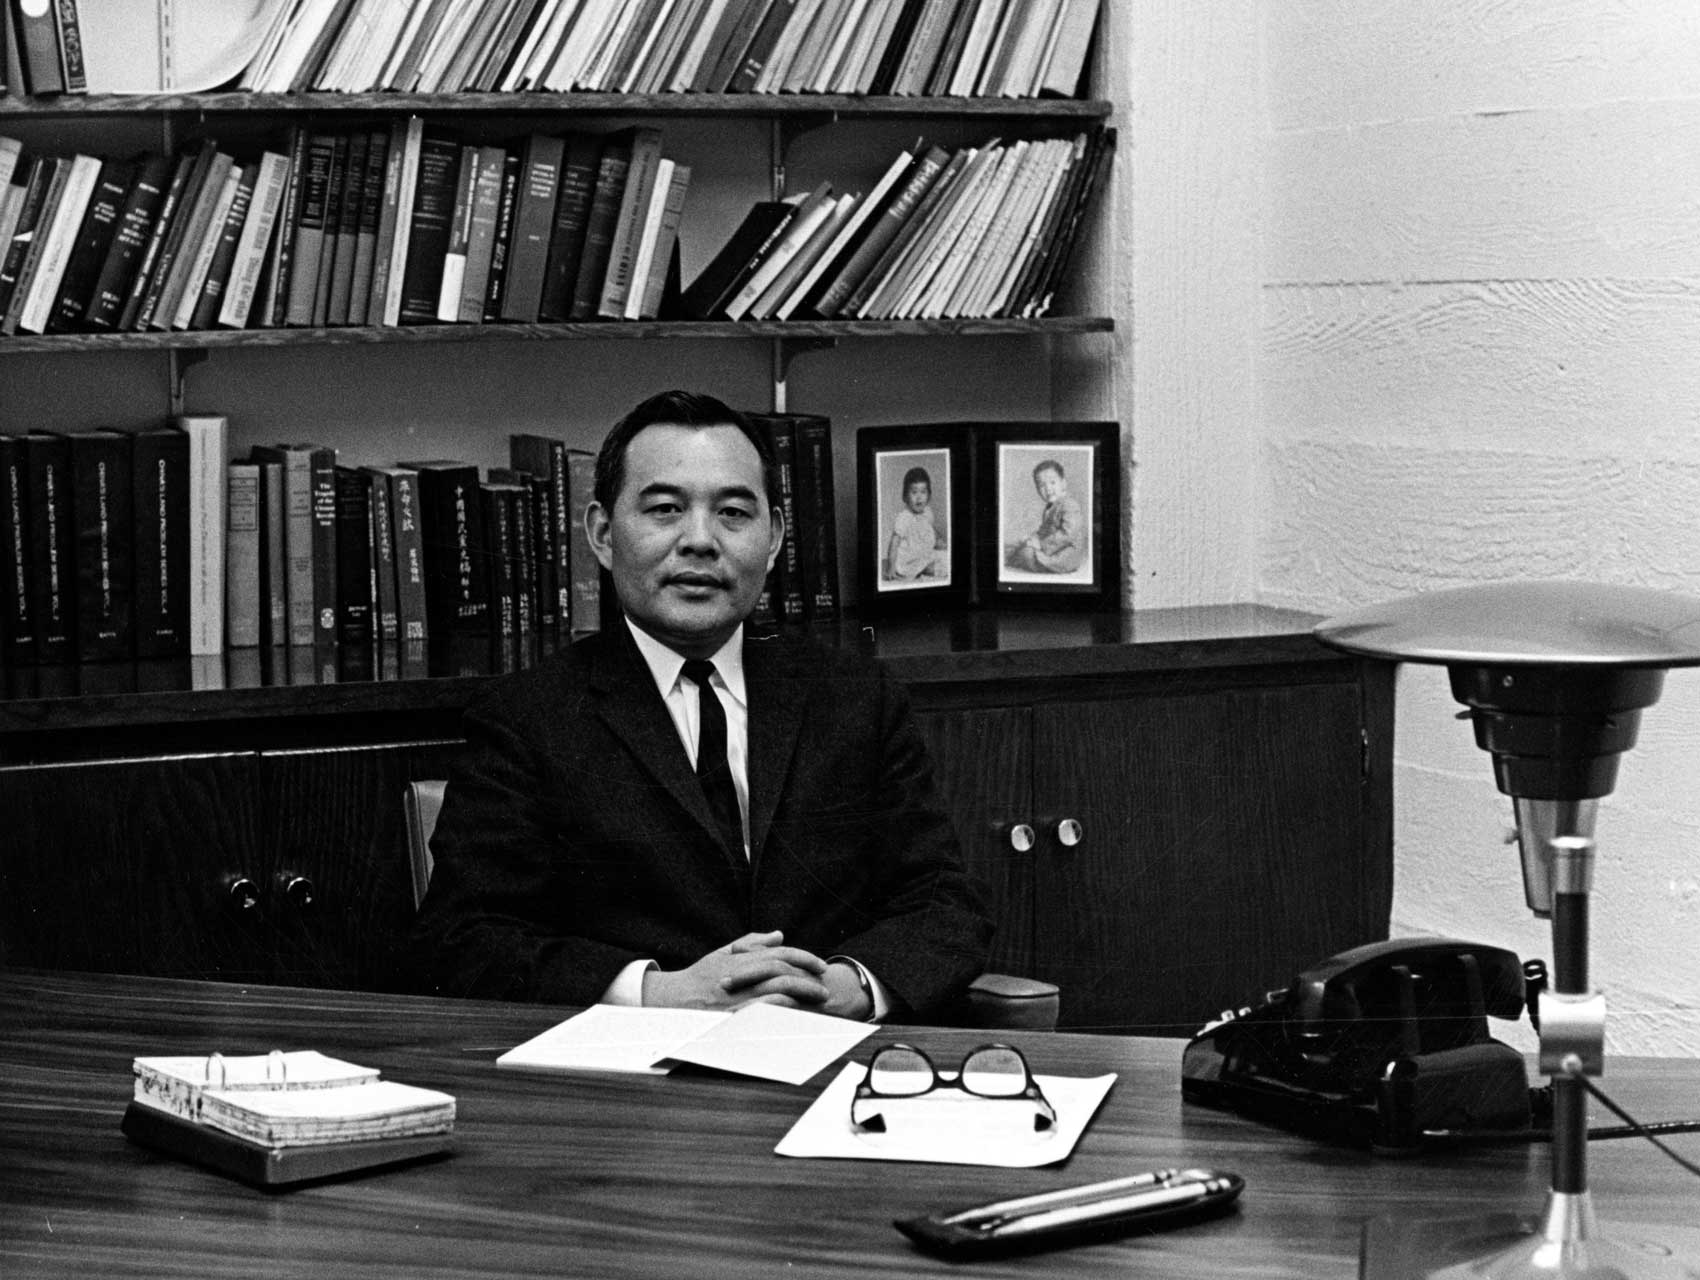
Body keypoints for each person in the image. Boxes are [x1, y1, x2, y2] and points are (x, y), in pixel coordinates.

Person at [410, 390, 992, 1021]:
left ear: (773, 539)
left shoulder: (854, 698)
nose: (700, 541)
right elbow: (462, 941)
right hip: (632, 1082)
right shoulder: (528, 719)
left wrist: (844, 988)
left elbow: (943, 905)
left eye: (734, 513)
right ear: (602, 535)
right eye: (665, 509)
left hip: (828, 1062)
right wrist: (662, 993)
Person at [1006, 458, 1085, 574]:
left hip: (1065, 554)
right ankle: (1011, 555)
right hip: (1054, 548)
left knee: (1026, 553)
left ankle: (1011, 558)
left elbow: (1069, 533)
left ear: (1063, 483)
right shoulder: (1051, 506)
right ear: (1037, 489)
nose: (1048, 489)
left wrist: (1040, 544)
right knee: (1019, 544)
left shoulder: (1069, 504)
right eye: (1041, 485)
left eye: (1052, 482)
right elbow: (1045, 530)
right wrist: (1034, 538)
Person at [884, 465, 948, 581]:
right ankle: (929, 570)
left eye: (923, 492)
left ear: (929, 495)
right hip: (909, 560)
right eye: (914, 492)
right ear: (905, 496)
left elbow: (931, 530)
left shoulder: (928, 512)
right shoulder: (904, 517)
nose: (919, 497)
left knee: (944, 554)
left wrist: (939, 541)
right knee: (931, 568)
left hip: (924, 553)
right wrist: (891, 567)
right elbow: (894, 542)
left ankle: (934, 566)